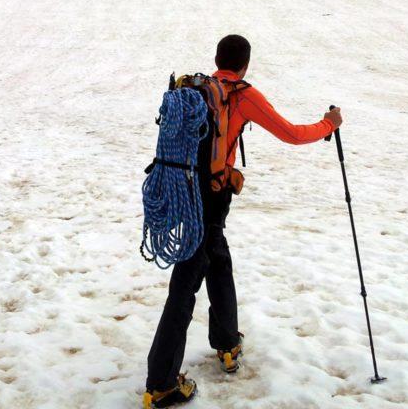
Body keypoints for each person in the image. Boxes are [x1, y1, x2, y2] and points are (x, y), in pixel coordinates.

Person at [142, 34, 343, 408]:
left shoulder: (198, 90)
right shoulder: (241, 94)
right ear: (245, 64)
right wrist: (328, 124)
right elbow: (292, 134)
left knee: (218, 263)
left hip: (186, 191)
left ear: (217, 59)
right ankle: (162, 384)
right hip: (211, 197)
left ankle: (227, 341)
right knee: (185, 285)